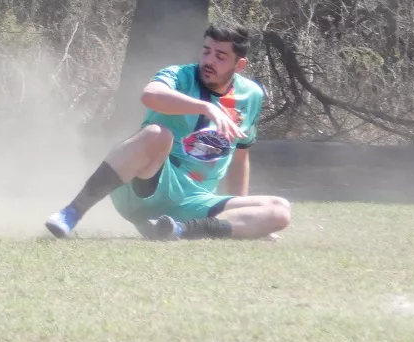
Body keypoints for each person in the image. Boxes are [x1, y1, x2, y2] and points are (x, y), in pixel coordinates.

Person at [46, 20, 291, 241]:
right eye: (206, 51)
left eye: (220, 56)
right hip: (148, 186)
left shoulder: (251, 95)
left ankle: (178, 230)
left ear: (240, 65)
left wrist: (242, 213)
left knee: (280, 211)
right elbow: (150, 95)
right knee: (158, 134)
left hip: (195, 202)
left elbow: (240, 156)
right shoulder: (179, 75)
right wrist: (205, 107)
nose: (209, 61)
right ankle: (72, 212)